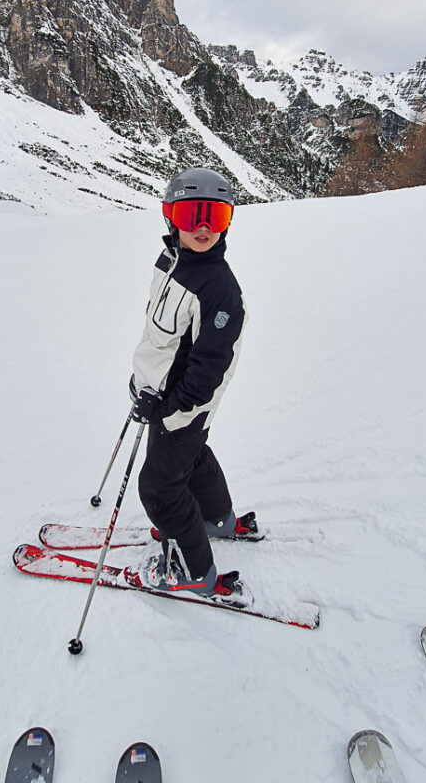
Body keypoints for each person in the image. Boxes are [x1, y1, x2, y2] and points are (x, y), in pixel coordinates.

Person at [129, 167, 256, 597]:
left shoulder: (219, 290)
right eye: (191, 215)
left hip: (183, 406)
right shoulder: (172, 262)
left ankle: (193, 570)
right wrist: (142, 380)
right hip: (164, 397)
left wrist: (169, 409)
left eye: (215, 216)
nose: (203, 227)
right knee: (190, 457)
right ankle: (215, 519)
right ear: (171, 217)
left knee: (160, 487)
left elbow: (208, 369)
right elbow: (160, 335)